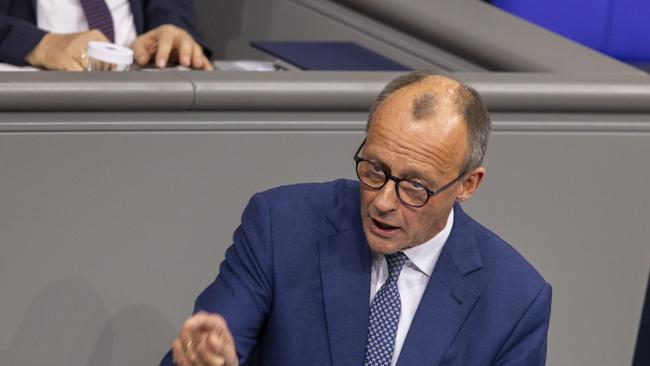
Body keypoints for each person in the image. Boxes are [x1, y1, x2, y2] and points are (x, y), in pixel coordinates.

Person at [161, 71, 552, 366]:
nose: (382, 202)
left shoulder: (515, 300)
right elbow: (207, 347)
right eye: (374, 169)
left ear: (468, 184)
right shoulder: (281, 227)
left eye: (414, 186)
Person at [0, 0, 212, 70]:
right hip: (33, 99)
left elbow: (171, 6)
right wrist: (40, 45)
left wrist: (169, 26)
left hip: (143, 86)